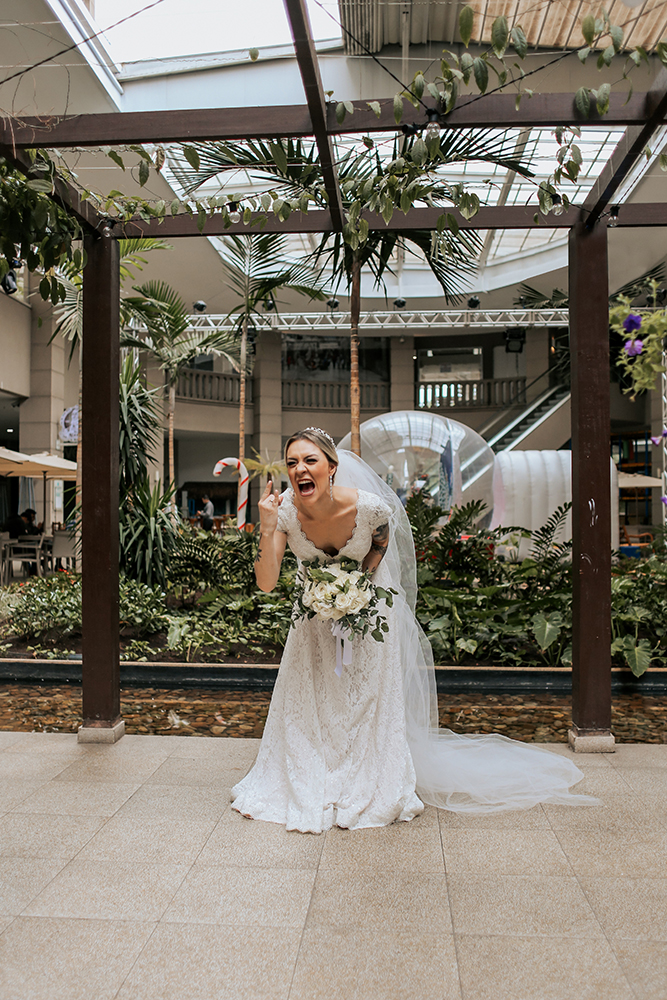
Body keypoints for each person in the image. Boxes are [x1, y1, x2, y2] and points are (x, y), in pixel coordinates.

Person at [231, 427, 596, 833]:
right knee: (311, 703)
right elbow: (266, 581)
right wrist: (266, 528)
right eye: (292, 462)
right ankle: (310, 779)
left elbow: (380, 546)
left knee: (365, 703)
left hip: (367, 619)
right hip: (313, 627)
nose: (300, 468)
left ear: (331, 467)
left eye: (310, 460)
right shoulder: (281, 513)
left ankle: (364, 781)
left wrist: (355, 587)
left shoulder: (369, 509)